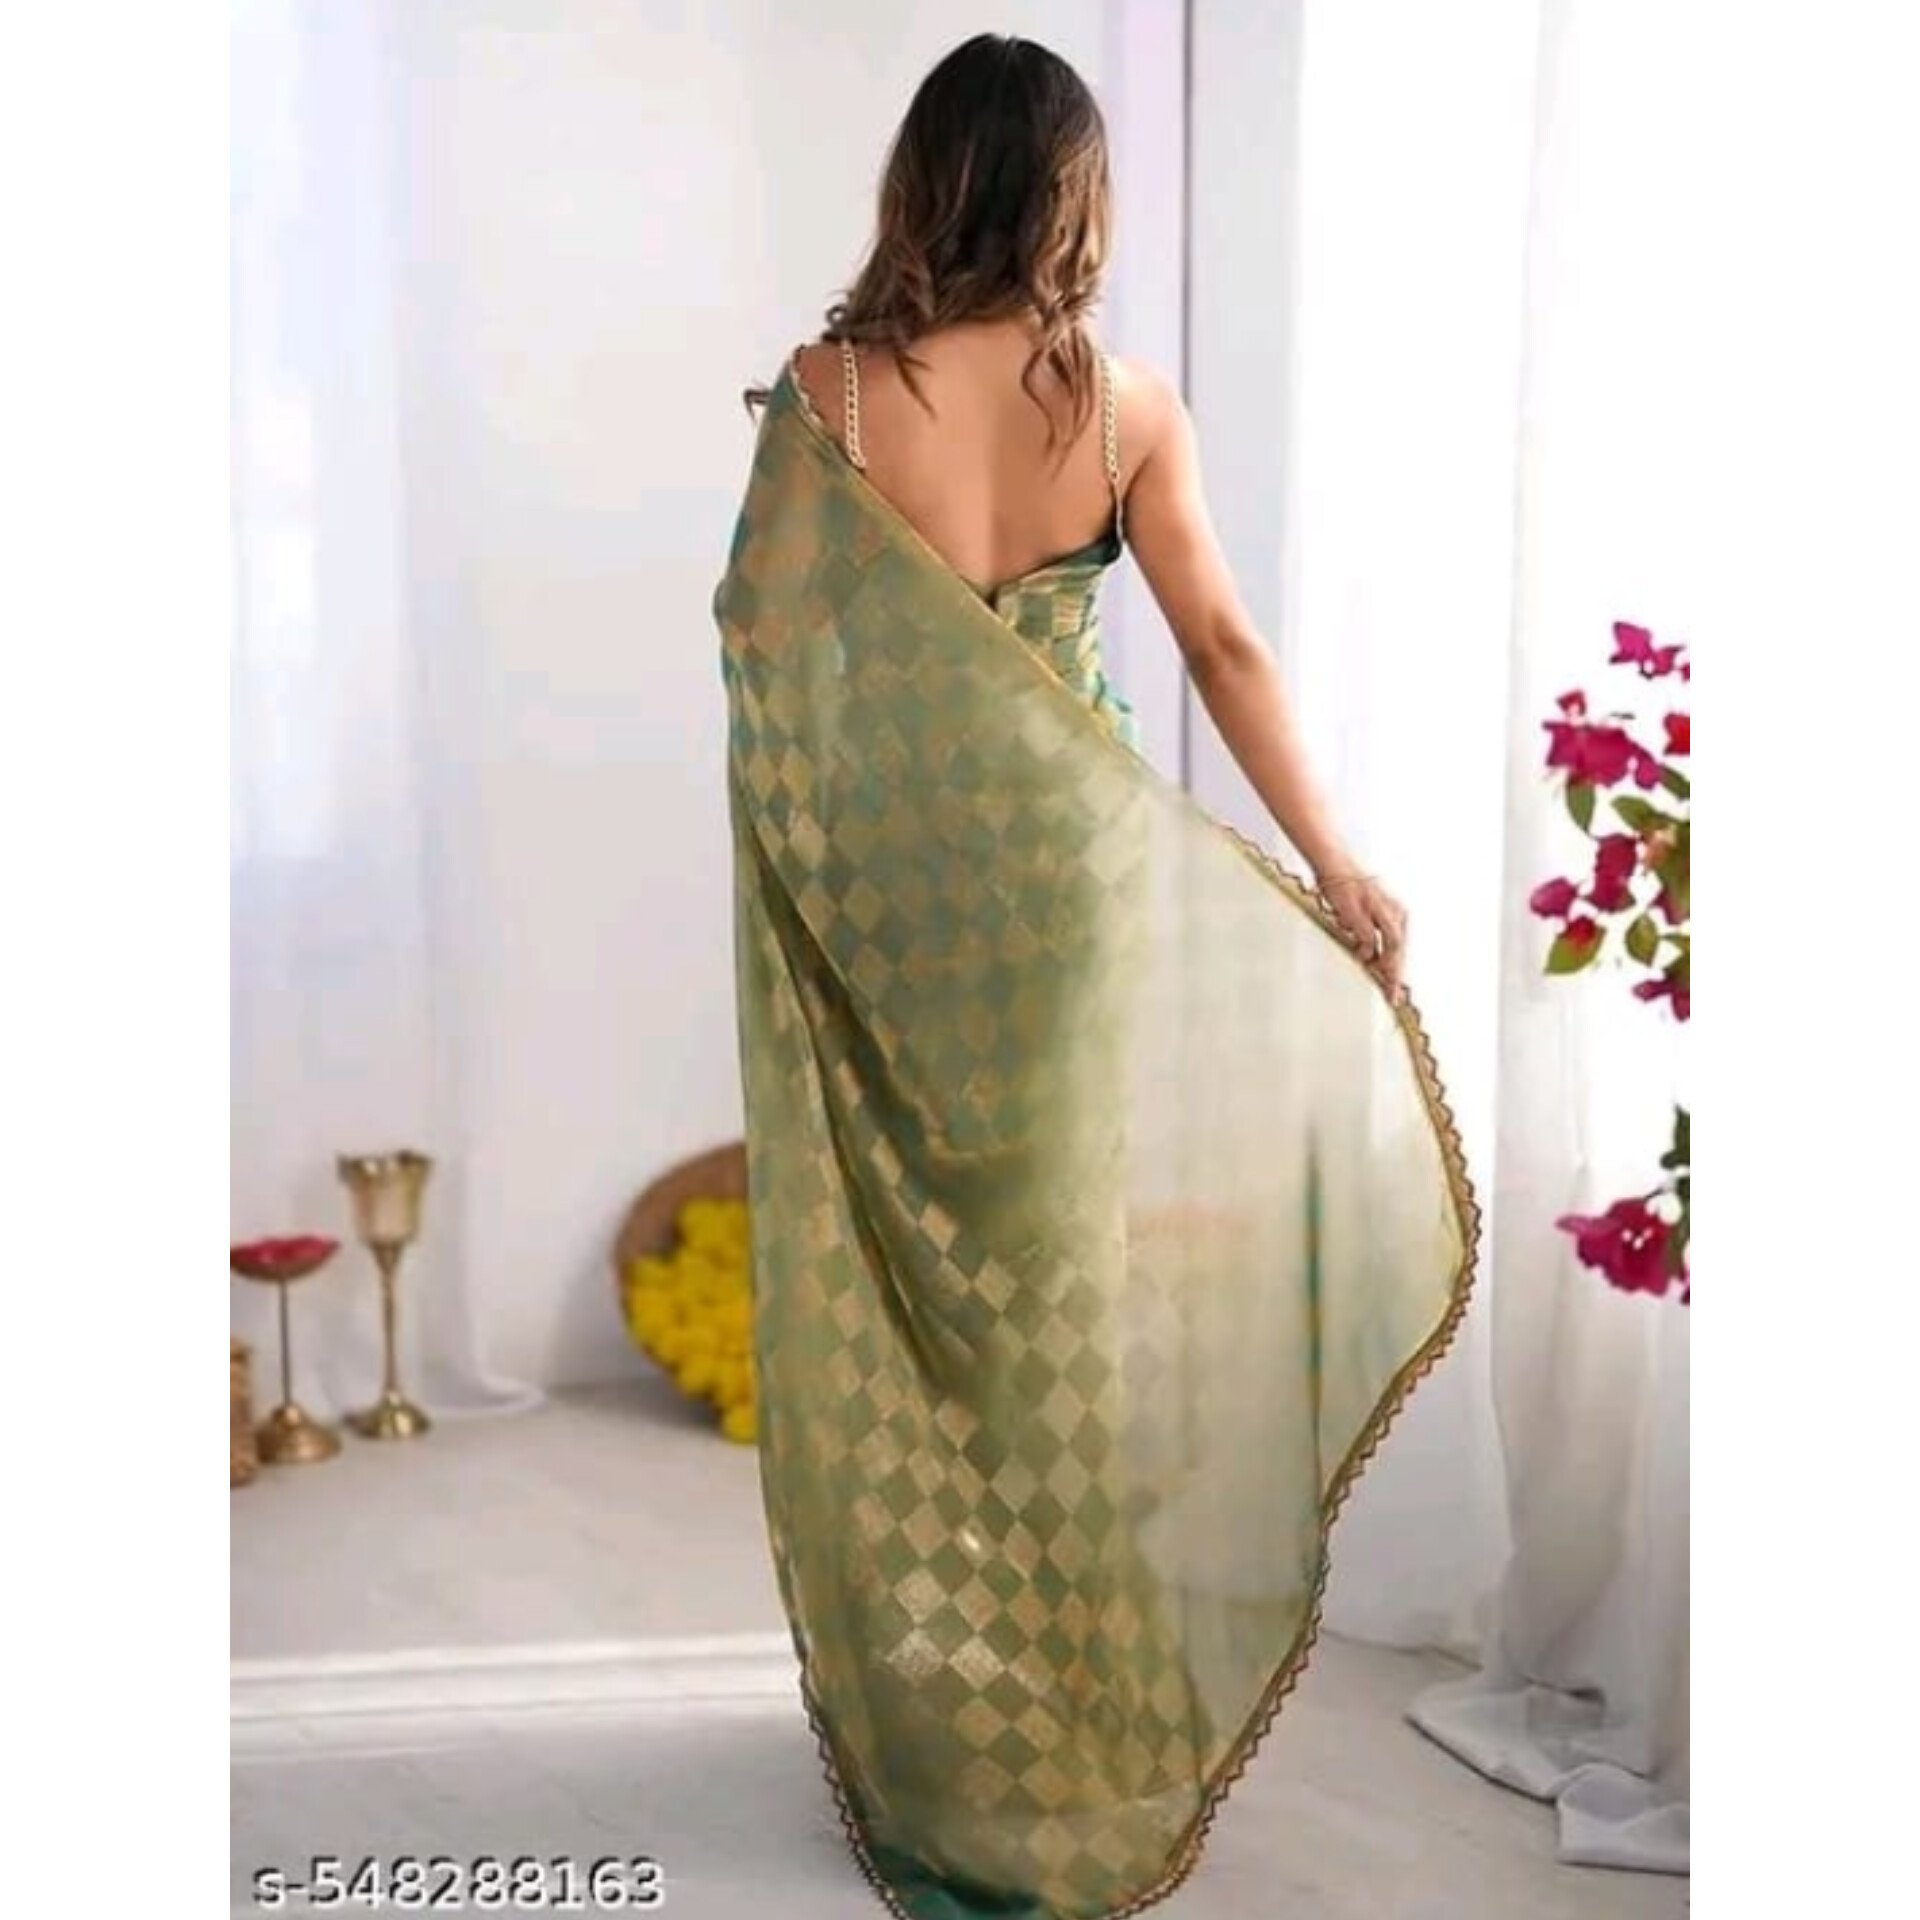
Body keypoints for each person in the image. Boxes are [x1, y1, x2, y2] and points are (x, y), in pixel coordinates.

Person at [714, 33, 1477, 1920]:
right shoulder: (1125, 408)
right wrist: (1334, 863)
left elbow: (767, 648)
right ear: (1073, 191)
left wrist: (829, 864)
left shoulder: (832, 395)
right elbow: (1221, 644)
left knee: (920, 1294)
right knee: (1059, 1294)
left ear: (922, 180)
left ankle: (943, 1723)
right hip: (1066, 894)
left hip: (899, 897)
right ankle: (1060, 1710)